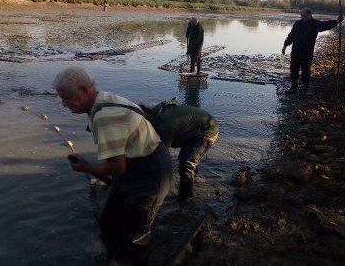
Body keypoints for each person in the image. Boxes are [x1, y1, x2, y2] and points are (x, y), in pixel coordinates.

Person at [52, 67, 172, 265]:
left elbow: (117, 167)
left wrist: (86, 167)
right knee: (108, 223)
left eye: (67, 98)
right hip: (137, 162)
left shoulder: (106, 116)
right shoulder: (103, 99)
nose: (64, 104)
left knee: (135, 236)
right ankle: (114, 258)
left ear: (83, 90)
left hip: (150, 173)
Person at [140, 99, 219, 202]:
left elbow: (161, 156)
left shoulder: (163, 124)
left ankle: (186, 199)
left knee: (187, 163)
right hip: (196, 128)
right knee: (189, 157)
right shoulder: (155, 115)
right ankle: (194, 181)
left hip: (207, 129)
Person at [282, 7, 344, 93]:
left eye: (303, 15)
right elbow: (291, 35)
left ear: (309, 14)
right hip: (295, 51)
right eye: (301, 15)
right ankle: (293, 89)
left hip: (307, 53)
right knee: (293, 69)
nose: (302, 17)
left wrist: (337, 21)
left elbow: (326, 25)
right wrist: (285, 45)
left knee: (306, 71)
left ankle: (305, 90)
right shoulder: (297, 23)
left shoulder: (315, 24)